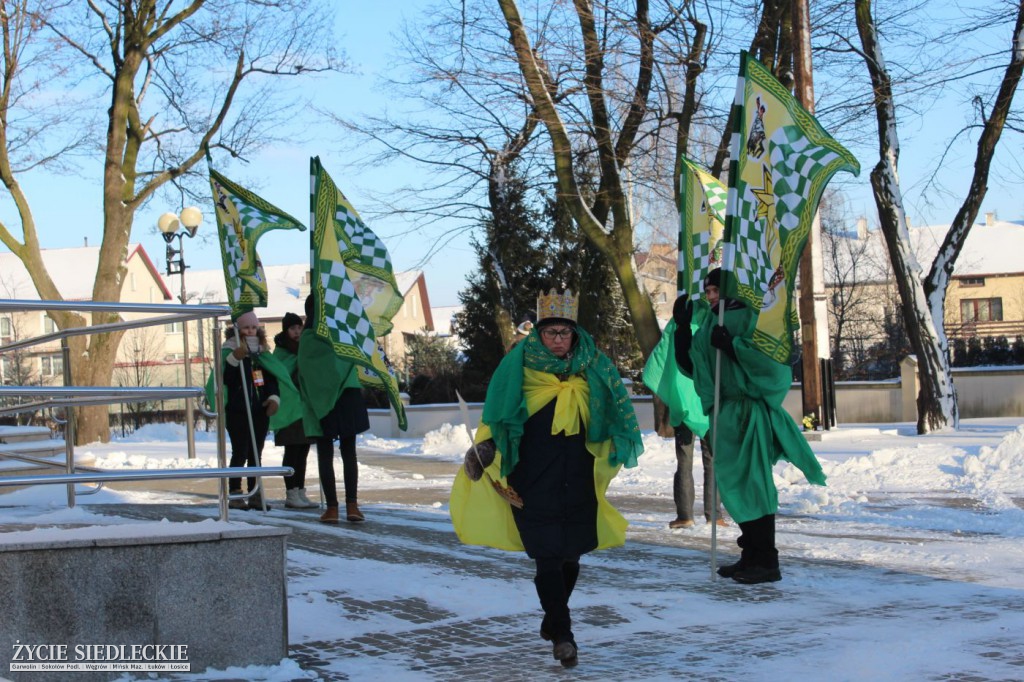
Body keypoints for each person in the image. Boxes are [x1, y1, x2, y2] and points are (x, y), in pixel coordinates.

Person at [450, 289, 644, 669]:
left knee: (571, 555)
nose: (557, 339)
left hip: (579, 475)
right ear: (538, 334)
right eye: (550, 332)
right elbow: (499, 415)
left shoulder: (594, 366)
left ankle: (553, 617)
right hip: (531, 477)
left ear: (574, 334)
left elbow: (614, 409)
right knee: (546, 557)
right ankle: (563, 635)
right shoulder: (518, 367)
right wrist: (485, 450)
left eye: (564, 332)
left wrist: (618, 441)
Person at [674, 268, 826, 584]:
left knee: (753, 486)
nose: (710, 297)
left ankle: (767, 560)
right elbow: (695, 368)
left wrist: (733, 347)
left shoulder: (752, 318)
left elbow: (774, 366)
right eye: (708, 291)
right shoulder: (708, 323)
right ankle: (750, 555)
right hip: (725, 416)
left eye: (715, 290)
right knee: (734, 487)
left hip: (747, 413)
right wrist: (682, 332)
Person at [212, 311, 300, 511]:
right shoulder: (229, 351)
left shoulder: (262, 353)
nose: (250, 331)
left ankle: (255, 493)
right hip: (237, 410)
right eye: (246, 327)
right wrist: (235, 359)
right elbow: (226, 379)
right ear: (237, 329)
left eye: (253, 327)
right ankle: (235, 493)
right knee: (239, 452)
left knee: (256, 453)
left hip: (258, 410)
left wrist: (273, 398)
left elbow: (270, 379)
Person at [297, 294, 370, 524]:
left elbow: (305, 372)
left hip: (321, 403)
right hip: (347, 394)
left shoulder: (307, 338)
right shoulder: (342, 331)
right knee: (348, 452)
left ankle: (333, 508)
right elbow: (352, 357)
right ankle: (352, 505)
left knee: (326, 455)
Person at [273, 311, 318, 509]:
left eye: (299, 327)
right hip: (289, 410)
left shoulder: (305, 349)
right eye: (293, 328)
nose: (297, 332)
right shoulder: (281, 352)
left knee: (303, 450)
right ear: (286, 330)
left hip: (304, 409)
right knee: (292, 451)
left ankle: (300, 490)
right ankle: (291, 492)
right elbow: (281, 374)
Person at [670, 424, 726, 529]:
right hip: (708, 417)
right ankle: (714, 517)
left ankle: (685, 517)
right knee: (712, 466)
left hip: (685, 416)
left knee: (684, 466)